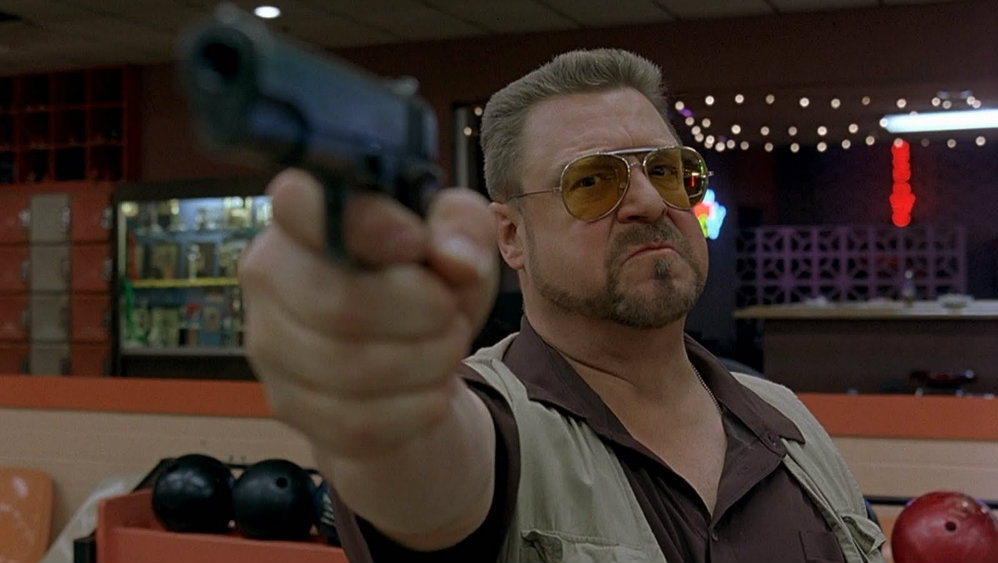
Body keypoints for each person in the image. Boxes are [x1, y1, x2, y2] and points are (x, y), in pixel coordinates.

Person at [238, 48, 886, 562]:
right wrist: (385, 406)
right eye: (593, 181)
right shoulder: (496, 427)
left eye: (667, 171)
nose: (649, 202)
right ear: (511, 237)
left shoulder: (789, 422)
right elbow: (428, 475)